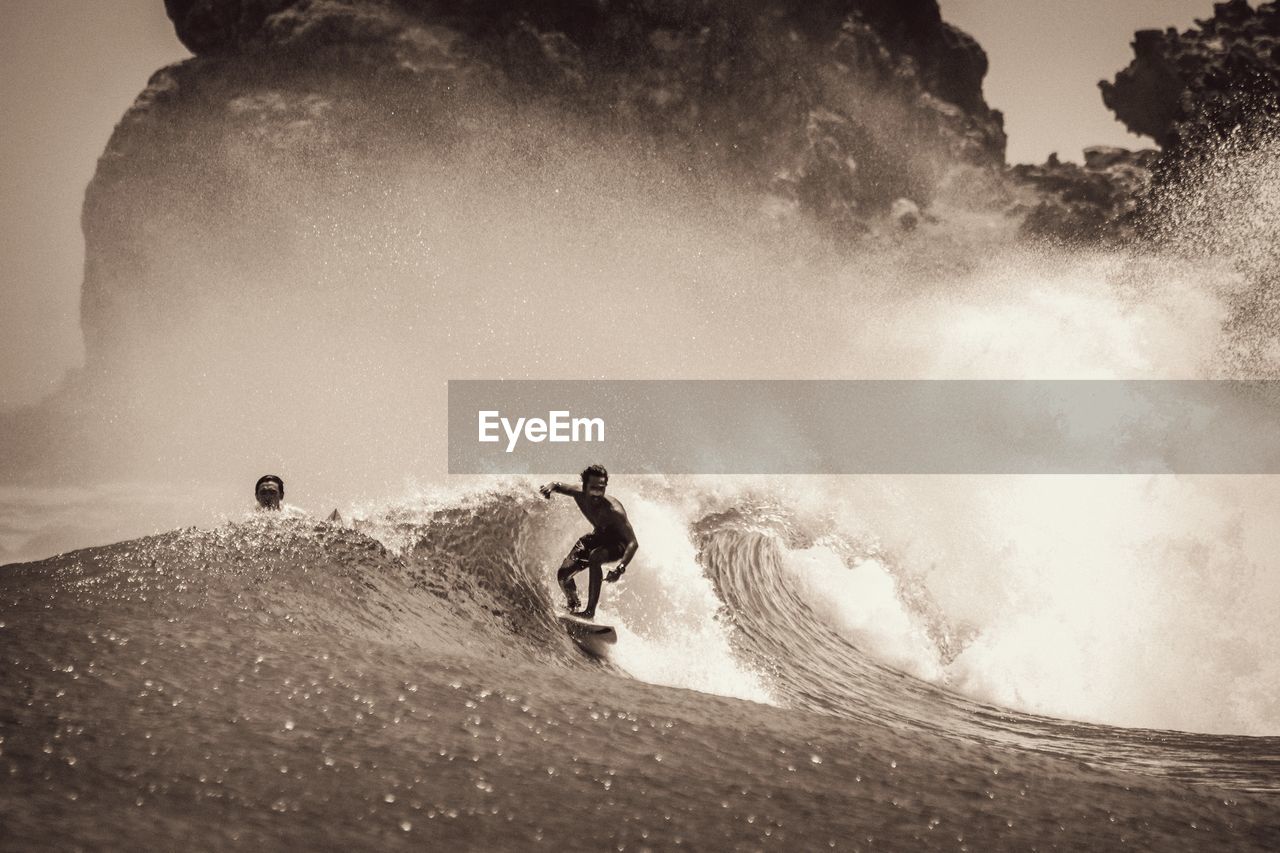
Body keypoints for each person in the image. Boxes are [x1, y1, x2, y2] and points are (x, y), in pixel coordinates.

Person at [539, 464, 638, 620]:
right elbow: (557, 485)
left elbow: (633, 542)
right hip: (597, 537)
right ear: (584, 486)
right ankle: (573, 604)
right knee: (563, 575)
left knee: (595, 556)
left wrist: (620, 568)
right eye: (593, 488)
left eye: (601, 488)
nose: (597, 493)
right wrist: (549, 488)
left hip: (618, 545)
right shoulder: (577, 493)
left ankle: (589, 612)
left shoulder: (614, 511)